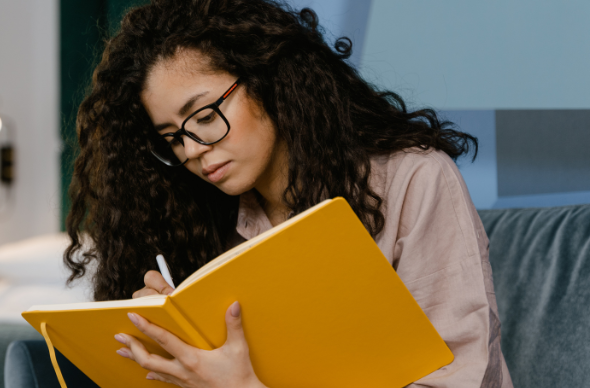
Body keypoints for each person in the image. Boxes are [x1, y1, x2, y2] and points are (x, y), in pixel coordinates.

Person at [63, 0, 513, 386]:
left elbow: (459, 377)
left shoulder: (414, 179)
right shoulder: (199, 219)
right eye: (173, 139)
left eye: (203, 116)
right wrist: (168, 348)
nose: (195, 151)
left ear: (267, 79)